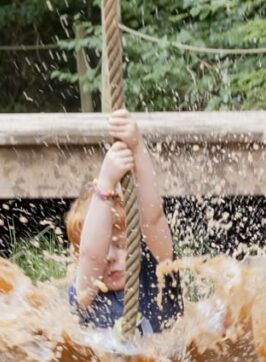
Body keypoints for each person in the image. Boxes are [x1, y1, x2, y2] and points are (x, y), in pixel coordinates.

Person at [66, 109, 183, 336]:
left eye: (120, 245)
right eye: (104, 248)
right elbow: (93, 255)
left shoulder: (156, 273)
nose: (109, 257)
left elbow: (153, 218)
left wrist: (137, 147)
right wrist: (106, 184)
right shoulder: (86, 294)